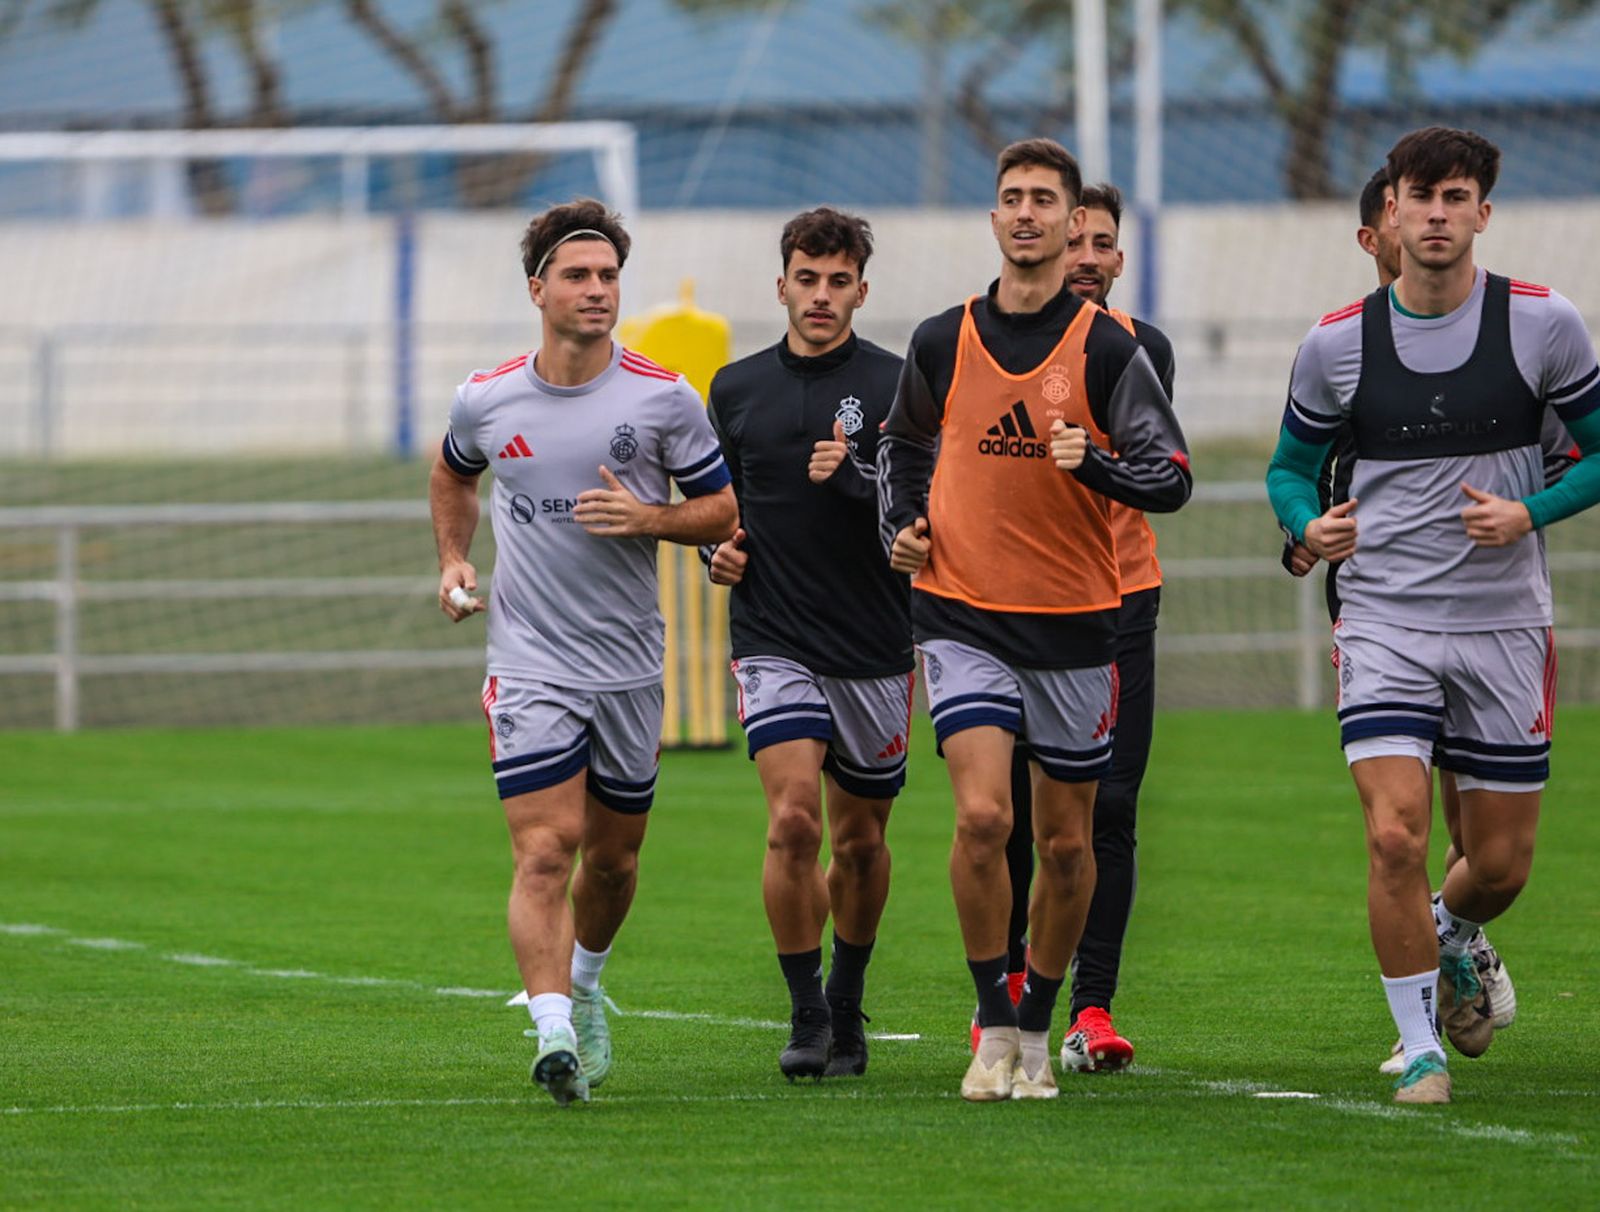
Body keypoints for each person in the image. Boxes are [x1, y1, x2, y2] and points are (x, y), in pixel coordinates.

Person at [1267, 127, 1600, 1104]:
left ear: (1481, 214)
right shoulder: (1335, 344)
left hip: (1502, 623)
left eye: (1456, 198)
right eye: (1421, 197)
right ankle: (1418, 1049)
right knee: (1394, 837)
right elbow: (1288, 469)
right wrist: (1306, 524)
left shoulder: (1544, 326)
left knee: (1495, 864)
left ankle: (1456, 931)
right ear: (1390, 215)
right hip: (1382, 622)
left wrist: (1527, 512)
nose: (1438, 215)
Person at [880, 138, 1191, 1102]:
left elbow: (1170, 475)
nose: (1026, 214)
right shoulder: (943, 337)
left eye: (1043, 201)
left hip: (1074, 624)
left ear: (1070, 224)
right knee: (982, 817)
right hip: (962, 613)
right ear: (994, 218)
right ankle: (992, 1019)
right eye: (1010, 197)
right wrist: (902, 522)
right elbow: (900, 443)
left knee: (1067, 844)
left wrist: (1090, 461)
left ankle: (1039, 1019)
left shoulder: (1108, 350)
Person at [429, 198, 737, 1106]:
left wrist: (650, 517)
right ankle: (553, 1029)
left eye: (608, 276)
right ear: (538, 290)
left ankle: (589, 986)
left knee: (613, 861)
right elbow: (454, 471)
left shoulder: (663, 396)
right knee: (545, 851)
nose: (597, 290)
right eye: (578, 275)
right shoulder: (487, 398)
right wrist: (453, 557)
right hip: (526, 662)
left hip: (631, 667)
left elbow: (722, 511)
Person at [704, 207, 912, 1080]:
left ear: (862, 290)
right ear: (781, 284)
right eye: (806, 279)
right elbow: (718, 502)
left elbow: (928, 515)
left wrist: (859, 480)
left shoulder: (906, 383)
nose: (820, 296)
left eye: (838, 282)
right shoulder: (734, 388)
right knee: (792, 821)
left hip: (874, 641)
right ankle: (805, 1014)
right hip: (772, 634)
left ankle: (848, 998)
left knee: (859, 842)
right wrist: (715, 546)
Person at [978, 183, 1176, 1075]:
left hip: (1119, 600)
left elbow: (1156, 470)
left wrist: (1093, 463)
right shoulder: (982, 340)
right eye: (1076, 239)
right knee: (1009, 811)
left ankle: (1092, 1007)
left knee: (1113, 807)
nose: (1086, 255)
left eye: (1102, 243)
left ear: (1116, 258)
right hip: (1009, 604)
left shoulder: (1137, 349)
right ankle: (1012, 995)